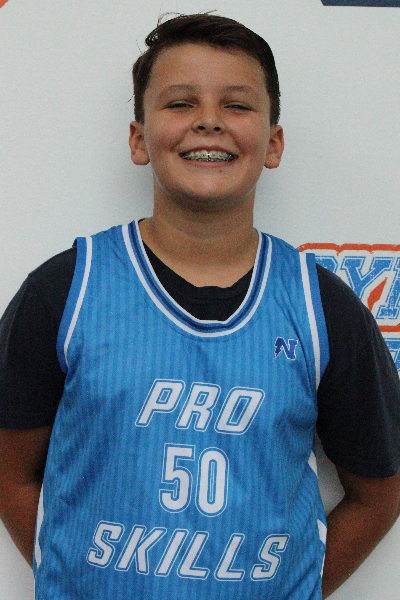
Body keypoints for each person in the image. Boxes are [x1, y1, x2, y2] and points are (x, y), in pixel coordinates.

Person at [0, 13, 400, 600]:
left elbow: (379, 493)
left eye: (236, 105)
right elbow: (10, 472)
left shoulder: (322, 309)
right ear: (139, 139)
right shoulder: (66, 291)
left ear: (273, 143)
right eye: (180, 103)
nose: (209, 120)